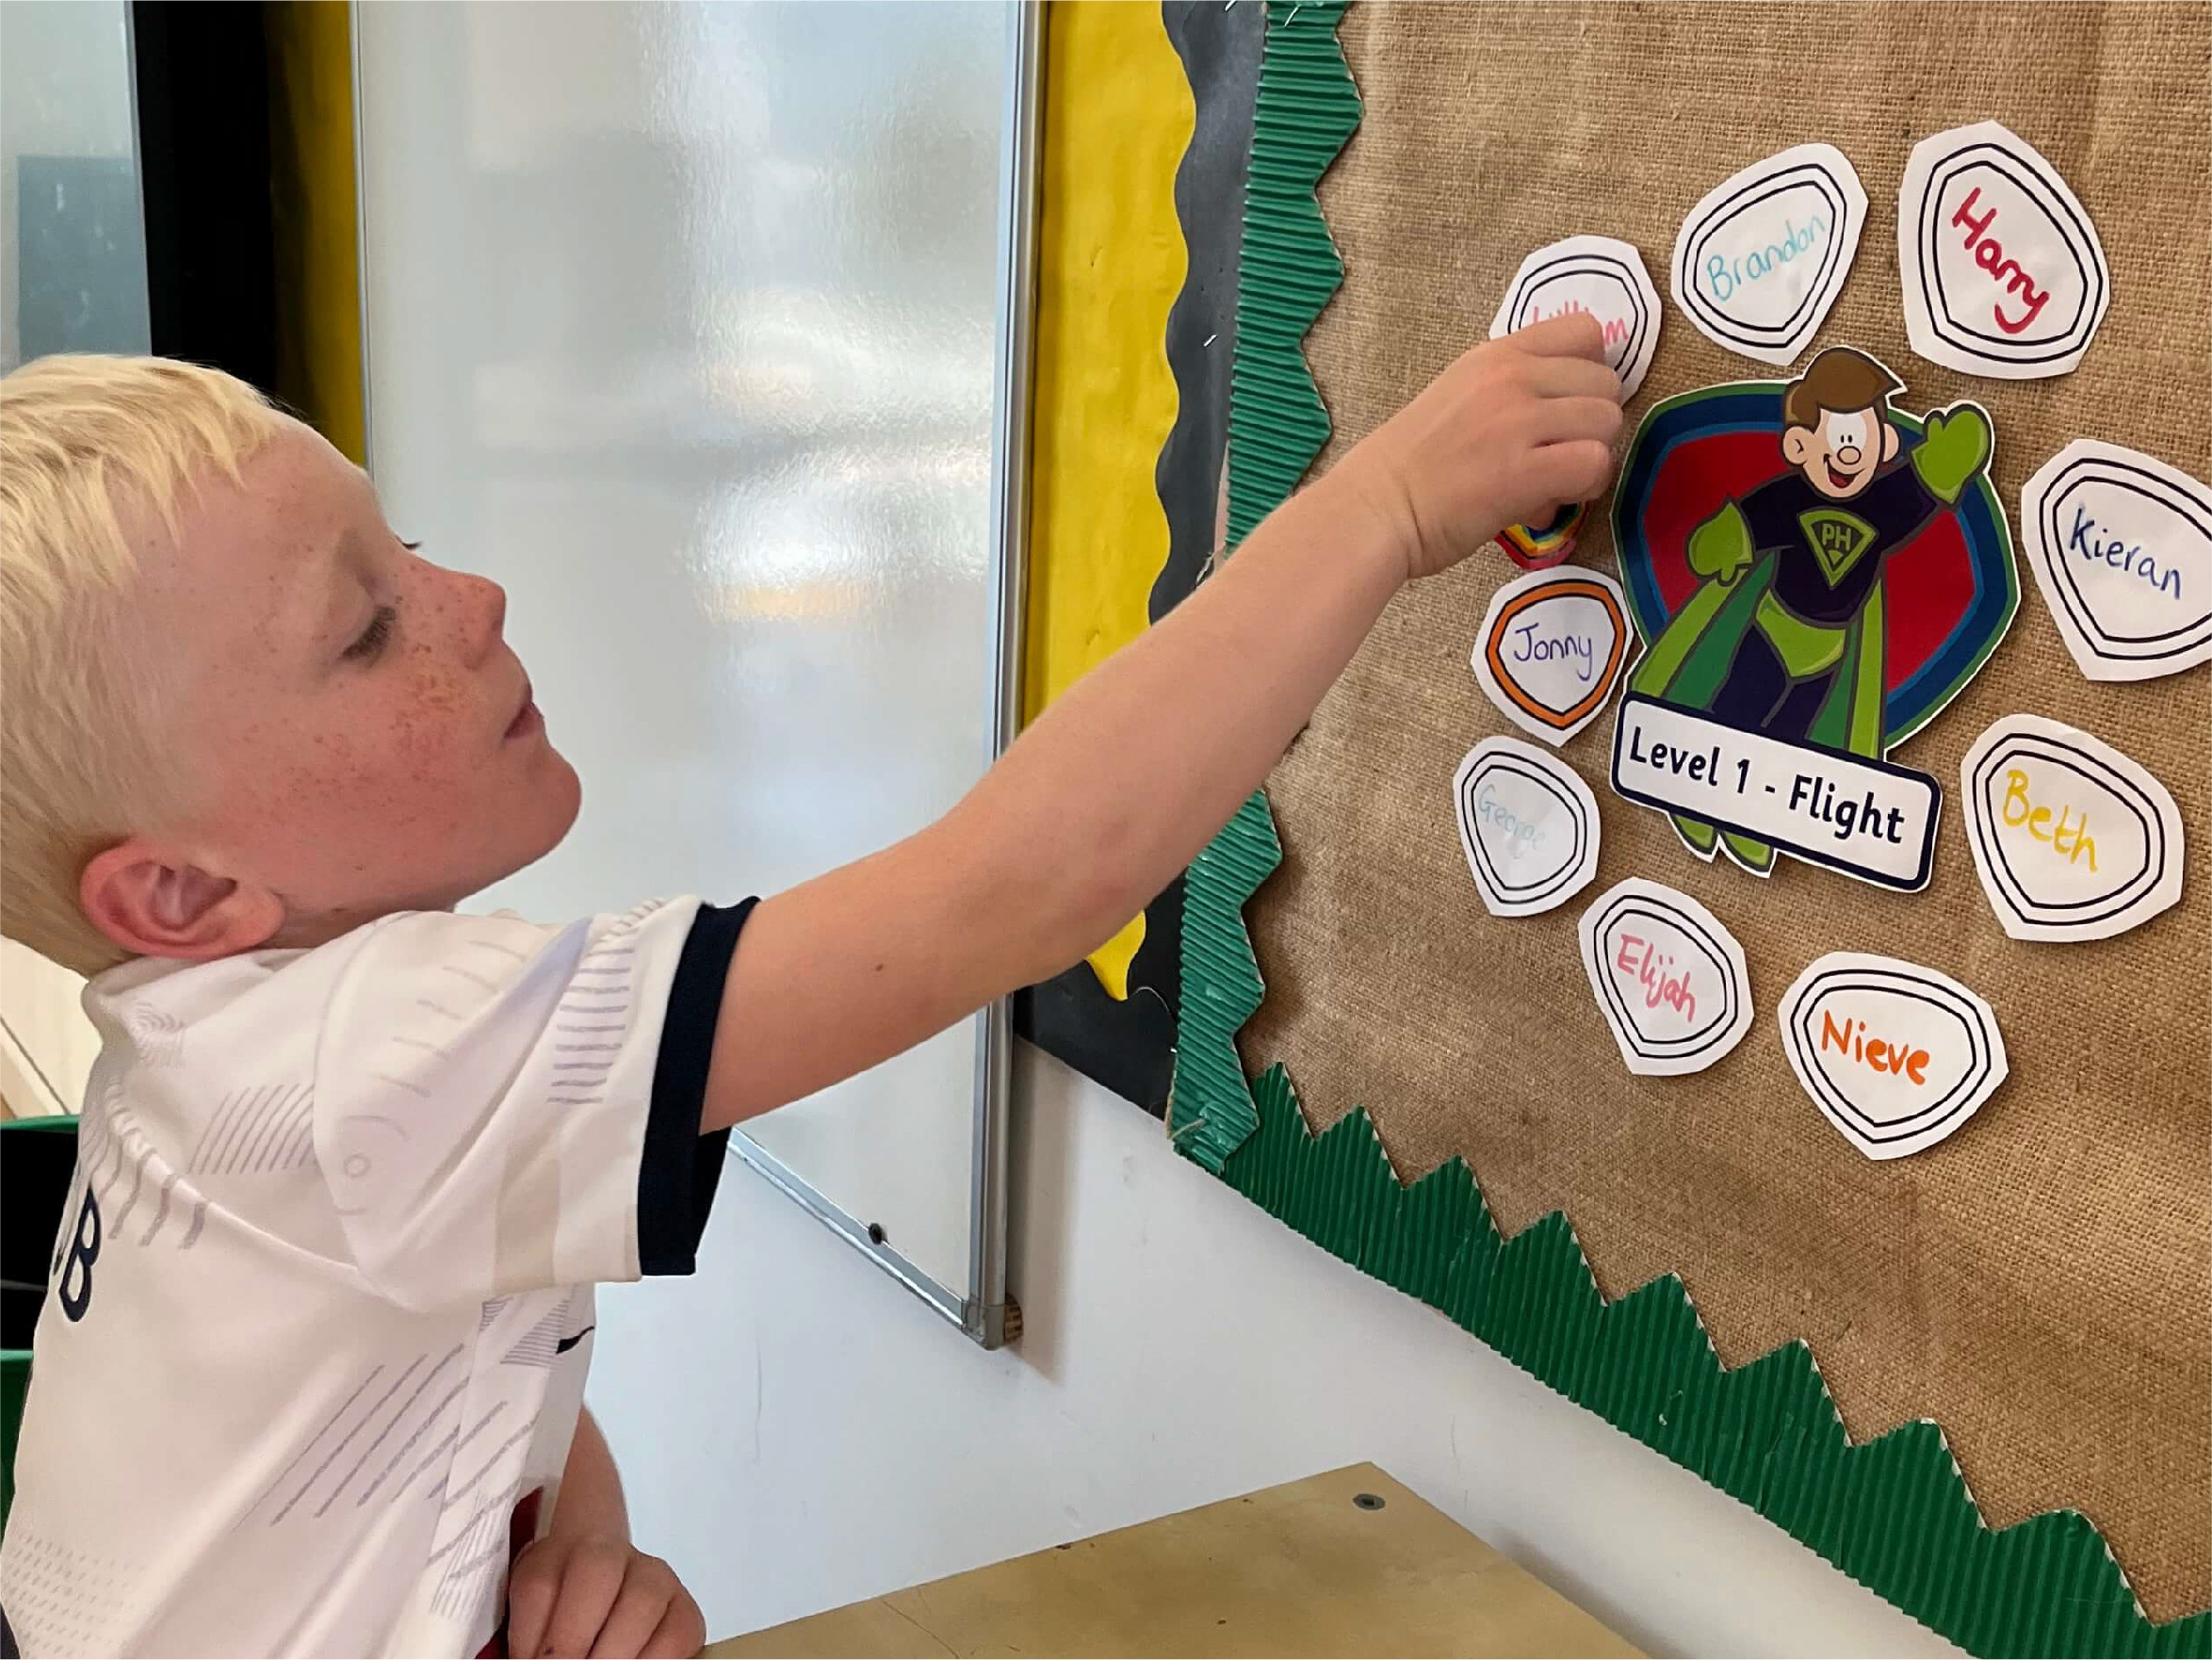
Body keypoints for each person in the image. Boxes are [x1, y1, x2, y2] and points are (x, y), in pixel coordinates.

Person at [0, 315, 1622, 1657]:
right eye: (365, 628)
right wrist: (1390, 503)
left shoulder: (199, 1061)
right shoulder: (358, 1064)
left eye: (407, 547)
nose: (471, 599)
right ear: (185, 893)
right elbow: (1016, 890)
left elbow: (489, 1388)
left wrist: (569, 1561)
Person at [1625, 346, 1993, 872]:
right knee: (1734, 718)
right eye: (1842, 438)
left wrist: (1944, 461)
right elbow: (1748, 524)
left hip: (1828, 655)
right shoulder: (1788, 500)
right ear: (1799, 444)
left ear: (1885, 443)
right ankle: (1698, 805)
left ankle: (1755, 828)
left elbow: (1919, 489)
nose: (1850, 454)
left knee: (1786, 744)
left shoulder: (1882, 506)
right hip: (1772, 636)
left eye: (1863, 439)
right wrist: (1725, 540)